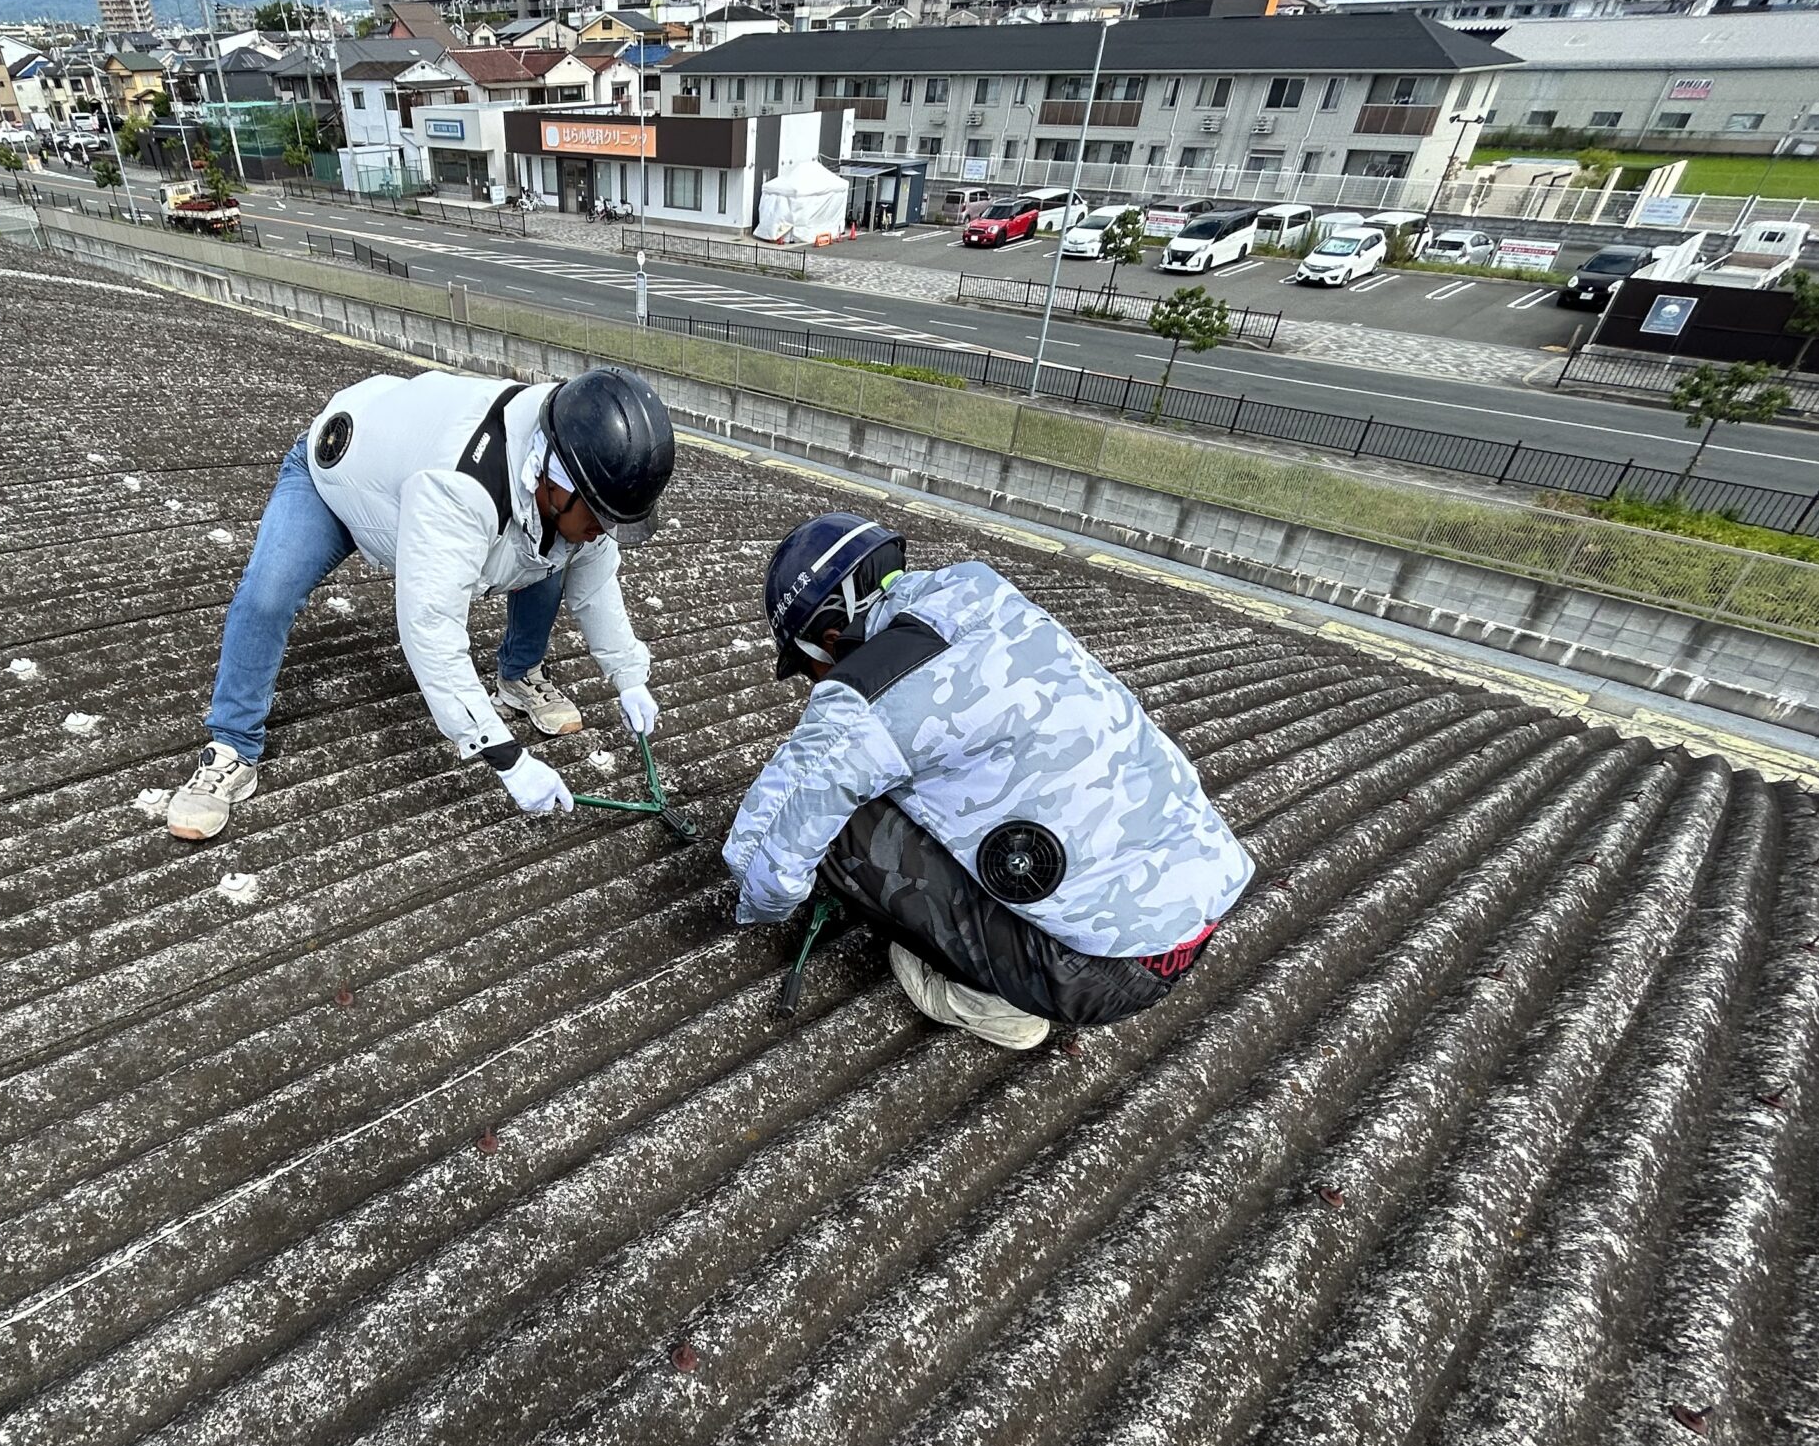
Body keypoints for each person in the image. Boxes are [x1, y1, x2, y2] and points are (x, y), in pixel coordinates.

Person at [725, 513, 1253, 1049]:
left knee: (834, 822)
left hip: (1094, 973)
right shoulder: (983, 594)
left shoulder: (860, 693)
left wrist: (760, 909)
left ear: (829, 641)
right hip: (1188, 923)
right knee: (883, 778)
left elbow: (762, 854)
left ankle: (987, 1001)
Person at [167, 367, 676, 841]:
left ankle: (518, 678)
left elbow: (594, 577)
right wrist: (507, 758)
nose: (604, 532)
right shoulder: (459, 486)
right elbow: (431, 628)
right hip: (337, 480)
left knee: (557, 552)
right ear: (554, 479)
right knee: (267, 594)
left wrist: (629, 676)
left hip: (411, 473)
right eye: (600, 515)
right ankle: (232, 744)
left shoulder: (577, 459)